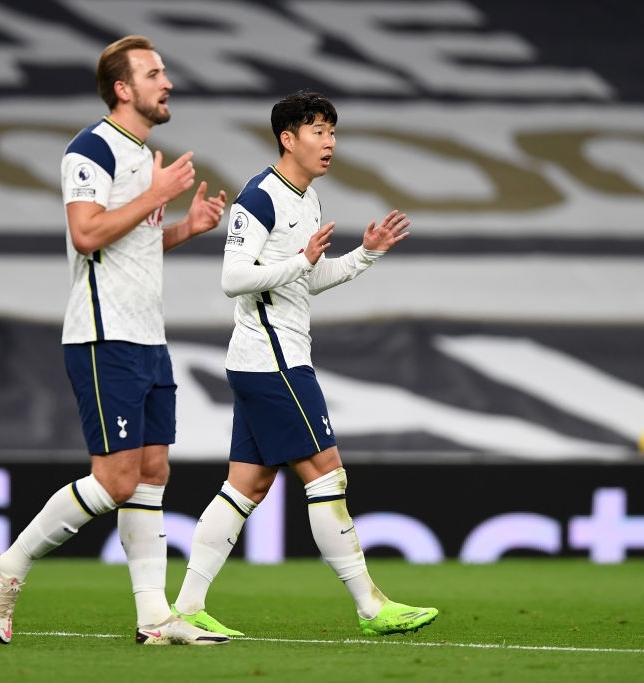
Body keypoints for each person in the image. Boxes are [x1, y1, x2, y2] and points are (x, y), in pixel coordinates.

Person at [0, 35, 229, 646]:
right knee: (116, 480)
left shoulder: (145, 157)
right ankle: (9, 566)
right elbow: (86, 234)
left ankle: (154, 620)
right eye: (154, 73)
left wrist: (185, 227)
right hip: (102, 334)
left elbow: (133, 242)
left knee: (152, 472)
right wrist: (158, 195)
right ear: (123, 88)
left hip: (147, 335)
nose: (166, 82)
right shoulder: (90, 149)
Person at [171, 90, 438, 638]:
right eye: (318, 131)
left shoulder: (307, 198)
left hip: (267, 357)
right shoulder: (259, 198)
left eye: (333, 131)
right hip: (274, 361)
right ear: (287, 138)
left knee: (245, 486)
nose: (330, 142)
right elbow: (233, 278)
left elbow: (307, 280)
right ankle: (370, 605)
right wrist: (299, 260)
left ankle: (187, 605)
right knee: (327, 473)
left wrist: (365, 254)